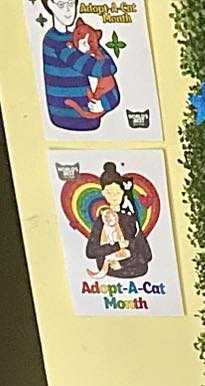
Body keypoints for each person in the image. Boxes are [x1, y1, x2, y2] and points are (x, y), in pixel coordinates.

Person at [40, 0, 120, 133]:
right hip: (66, 116)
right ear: (50, 5)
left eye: (71, 4)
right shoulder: (56, 41)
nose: (68, 10)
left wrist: (105, 103)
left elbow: (110, 68)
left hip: (91, 113)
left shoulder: (79, 35)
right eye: (61, 4)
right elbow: (99, 68)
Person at [85, 163, 151, 278]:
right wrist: (116, 246)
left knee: (142, 265)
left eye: (117, 192)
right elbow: (91, 251)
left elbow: (144, 251)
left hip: (130, 263)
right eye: (109, 193)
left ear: (122, 192)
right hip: (109, 264)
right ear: (103, 193)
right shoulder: (102, 219)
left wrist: (123, 262)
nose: (114, 197)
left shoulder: (129, 217)